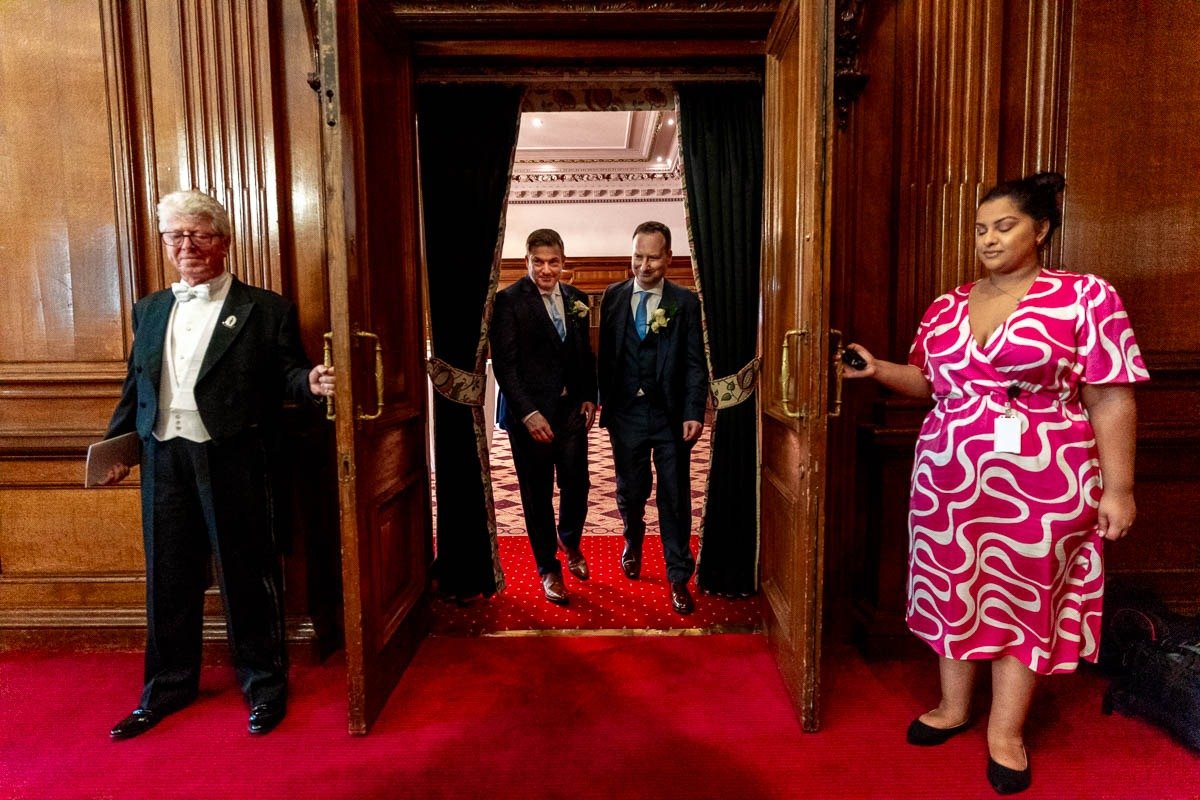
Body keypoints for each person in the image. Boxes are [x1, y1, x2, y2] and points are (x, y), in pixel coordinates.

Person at [843, 172, 1148, 794]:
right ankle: (954, 707)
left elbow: (1111, 397)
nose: (988, 239)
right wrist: (879, 370)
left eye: (1004, 226)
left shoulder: (1085, 297)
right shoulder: (948, 304)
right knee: (954, 587)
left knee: (1027, 597)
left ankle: (1005, 731)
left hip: (1046, 481)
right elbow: (930, 384)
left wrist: (1119, 488)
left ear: (1041, 230)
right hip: (948, 481)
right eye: (980, 228)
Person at [99, 189, 335, 739]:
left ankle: (265, 686)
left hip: (233, 456)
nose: (187, 245)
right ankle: (167, 688)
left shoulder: (266, 308)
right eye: (175, 236)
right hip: (163, 454)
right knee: (168, 577)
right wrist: (116, 448)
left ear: (223, 242)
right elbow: (137, 384)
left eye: (199, 234)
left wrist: (313, 384)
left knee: (244, 575)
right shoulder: (151, 307)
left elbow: (288, 375)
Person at [598, 221, 707, 615]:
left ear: (669, 258)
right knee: (631, 488)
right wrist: (601, 403)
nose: (643, 265)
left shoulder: (685, 302)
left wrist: (695, 409)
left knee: (675, 495)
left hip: (670, 416)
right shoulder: (612, 297)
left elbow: (696, 362)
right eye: (637, 256)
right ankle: (633, 539)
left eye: (652, 257)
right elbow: (605, 356)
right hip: (626, 413)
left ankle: (678, 575)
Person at [490, 229, 597, 605]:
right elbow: (506, 366)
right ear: (527, 262)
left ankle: (569, 541)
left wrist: (588, 395)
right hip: (529, 417)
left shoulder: (577, 299)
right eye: (538, 261)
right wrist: (529, 413)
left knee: (578, 485)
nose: (546, 269)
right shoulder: (508, 302)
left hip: (570, 411)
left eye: (553, 262)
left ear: (563, 263)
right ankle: (548, 569)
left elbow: (584, 354)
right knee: (536, 494)